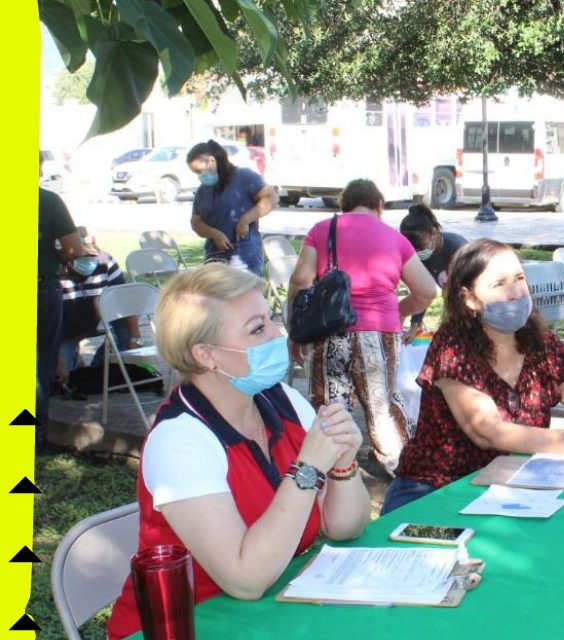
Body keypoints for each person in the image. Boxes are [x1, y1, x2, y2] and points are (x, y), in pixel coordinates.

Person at [107, 263, 371, 639]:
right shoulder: (178, 441)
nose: (279, 335)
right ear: (206, 355)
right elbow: (245, 580)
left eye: (271, 320)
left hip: (274, 615)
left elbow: (343, 527)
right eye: (258, 328)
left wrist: (343, 464)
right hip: (190, 628)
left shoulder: (284, 401)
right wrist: (308, 468)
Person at [383, 239, 564, 514]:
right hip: (434, 491)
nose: (516, 292)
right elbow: (489, 433)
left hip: (510, 487)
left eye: (519, 278)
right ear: (470, 299)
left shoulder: (539, 339)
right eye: (499, 284)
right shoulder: (451, 346)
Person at [288, 179, 438, 475]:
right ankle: (403, 470)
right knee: (382, 406)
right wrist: (398, 313)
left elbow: (302, 280)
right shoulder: (395, 239)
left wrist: (296, 328)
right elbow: (427, 291)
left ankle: (329, 469)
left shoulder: (321, 230)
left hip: (331, 330)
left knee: (331, 404)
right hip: (380, 333)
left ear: (344, 206)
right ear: (379, 206)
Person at [38, 151, 88, 436]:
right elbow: (74, 249)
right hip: (41, 286)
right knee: (40, 363)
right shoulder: (48, 201)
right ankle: (33, 437)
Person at [56, 227, 141, 385]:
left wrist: (134, 338)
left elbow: (124, 300)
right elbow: (44, 324)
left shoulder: (105, 260)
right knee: (57, 378)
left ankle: (100, 368)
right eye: (83, 255)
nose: (89, 260)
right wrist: (58, 360)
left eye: (92, 255)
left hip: (92, 318)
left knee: (124, 332)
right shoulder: (54, 269)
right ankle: (72, 357)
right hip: (61, 330)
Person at [187, 140, 278, 275]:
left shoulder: (244, 177)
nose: (200, 176)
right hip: (215, 257)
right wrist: (214, 234)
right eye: (196, 173)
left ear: (212, 161)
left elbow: (271, 197)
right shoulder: (204, 190)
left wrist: (245, 220)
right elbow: (196, 222)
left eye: (200, 171)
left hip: (244, 254)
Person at [399, 203, 468, 342]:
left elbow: (469, 293)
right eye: (412, 249)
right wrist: (414, 325)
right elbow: (421, 293)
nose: (417, 252)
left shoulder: (458, 249)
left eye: (420, 246)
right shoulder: (421, 256)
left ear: (434, 232)